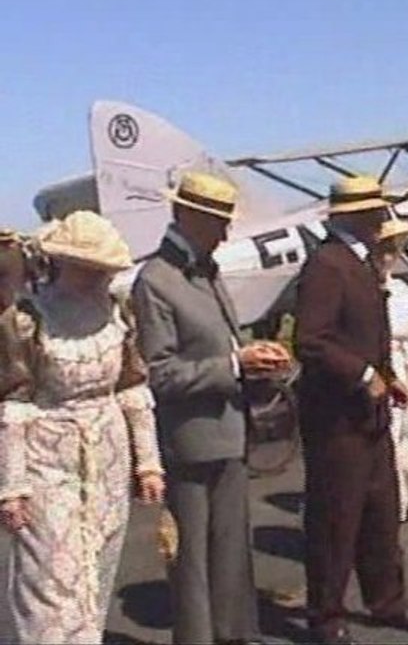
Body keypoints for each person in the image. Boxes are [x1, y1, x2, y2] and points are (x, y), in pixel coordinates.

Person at [131, 171, 283, 645]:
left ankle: (236, 634)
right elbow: (160, 373)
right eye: (218, 222)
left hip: (229, 434)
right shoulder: (157, 280)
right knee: (193, 559)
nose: (226, 232)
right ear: (190, 217)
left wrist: (255, 364)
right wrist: (234, 364)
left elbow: (218, 347)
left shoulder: (206, 271)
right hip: (191, 441)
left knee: (232, 550)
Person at [0, 212, 165, 644]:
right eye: (90, 268)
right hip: (46, 460)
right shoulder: (26, 319)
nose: (100, 277)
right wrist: (12, 486)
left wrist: (148, 462)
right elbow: (14, 404)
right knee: (50, 582)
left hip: (107, 457)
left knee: (96, 567)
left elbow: (133, 388)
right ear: (64, 263)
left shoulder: (117, 312)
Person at [295, 175, 408, 645]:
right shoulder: (328, 266)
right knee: (336, 516)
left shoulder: (364, 264)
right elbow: (311, 341)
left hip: (369, 416)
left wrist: (389, 378)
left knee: (380, 509)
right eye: (377, 210)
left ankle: (386, 597)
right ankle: (326, 614)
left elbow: (369, 334)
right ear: (355, 215)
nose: (383, 218)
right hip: (337, 418)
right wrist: (363, 374)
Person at [372, 216, 408, 523]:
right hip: (375, 366)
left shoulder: (402, 291)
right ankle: (383, 503)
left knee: (403, 434)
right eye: (382, 250)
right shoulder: (364, 289)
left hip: (399, 365)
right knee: (384, 436)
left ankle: (400, 500)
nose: (387, 258)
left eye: (393, 251)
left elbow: (406, 338)